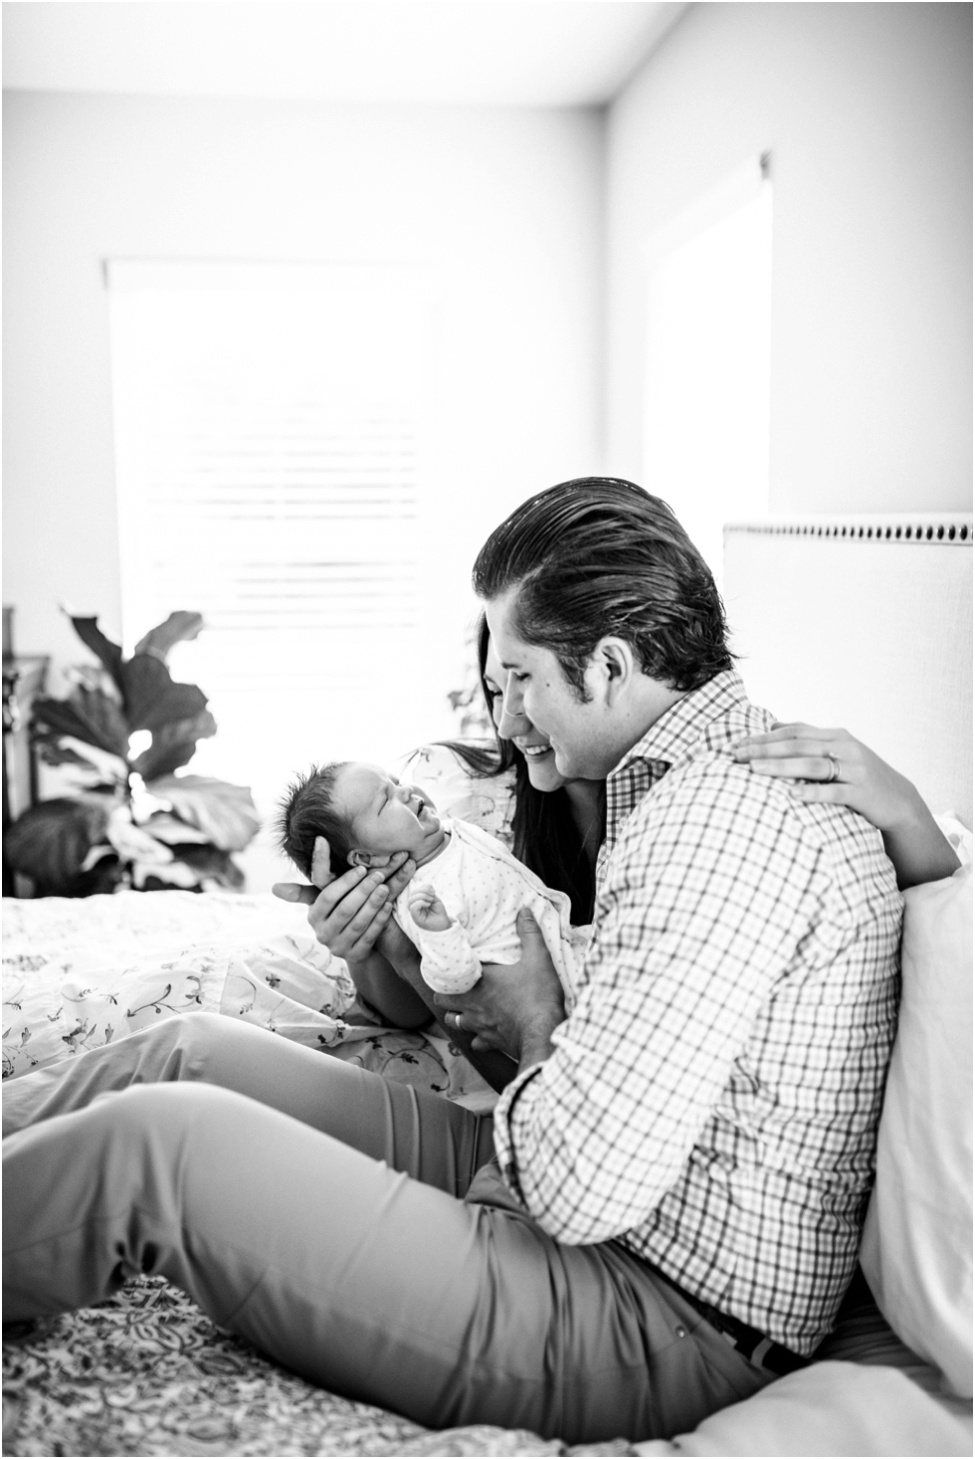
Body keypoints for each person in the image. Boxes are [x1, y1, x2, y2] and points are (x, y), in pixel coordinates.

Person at [0, 477, 958, 1447]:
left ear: (611, 665)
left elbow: (581, 1186)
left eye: (523, 678)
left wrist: (536, 1016)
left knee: (159, 1146)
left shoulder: (712, 825)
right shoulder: (706, 783)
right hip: (585, 1201)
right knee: (193, 1049)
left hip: (651, 1311)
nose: (505, 719)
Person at [277, 760, 586, 1000]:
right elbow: (452, 983)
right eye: (386, 801)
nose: (406, 791)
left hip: (574, 947)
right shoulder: (419, 900)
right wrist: (440, 935)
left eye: (395, 782)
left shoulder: (451, 833)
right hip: (550, 992)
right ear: (365, 858)